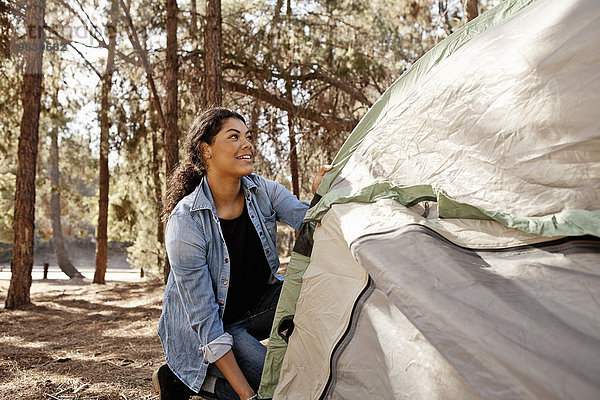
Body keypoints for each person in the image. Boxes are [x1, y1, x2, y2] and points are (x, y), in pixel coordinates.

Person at [153, 107, 331, 400]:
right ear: (206, 150)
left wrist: (319, 196)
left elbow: (313, 224)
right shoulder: (186, 222)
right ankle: (182, 379)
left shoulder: (261, 190)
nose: (247, 144)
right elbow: (207, 324)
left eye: (247, 136)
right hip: (211, 328)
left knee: (315, 286)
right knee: (272, 386)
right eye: (233, 137)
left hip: (254, 309)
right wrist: (249, 397)